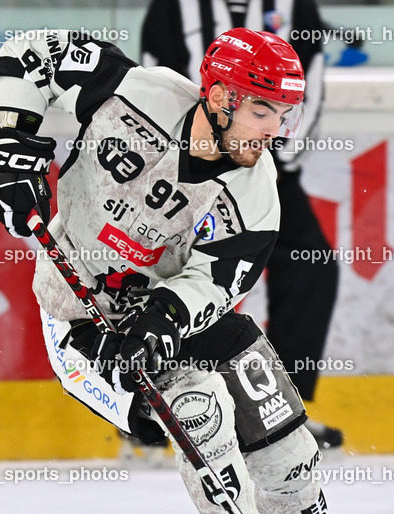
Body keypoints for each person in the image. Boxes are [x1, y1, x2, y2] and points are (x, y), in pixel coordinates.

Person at [0, 28, 394, 514]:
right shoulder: (134, 93)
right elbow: (32, 50)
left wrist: (165, 314)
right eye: (262, 110)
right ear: (221, 97)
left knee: (281, 428)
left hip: (172, 314)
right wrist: (13, 142)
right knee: (199, 405)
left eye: (284, 114)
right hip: (82, 323)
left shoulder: (257, 190)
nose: (274, 130)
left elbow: (221, 279)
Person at [141, 0, 343, 450]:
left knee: (312, 267)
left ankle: (281, 411)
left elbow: (310, 80)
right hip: (182, 166)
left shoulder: (296, 7)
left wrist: (267, 156)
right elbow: (154, 77)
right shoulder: (173, 7)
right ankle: (148, 411)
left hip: (260, 168)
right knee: (161, 271)